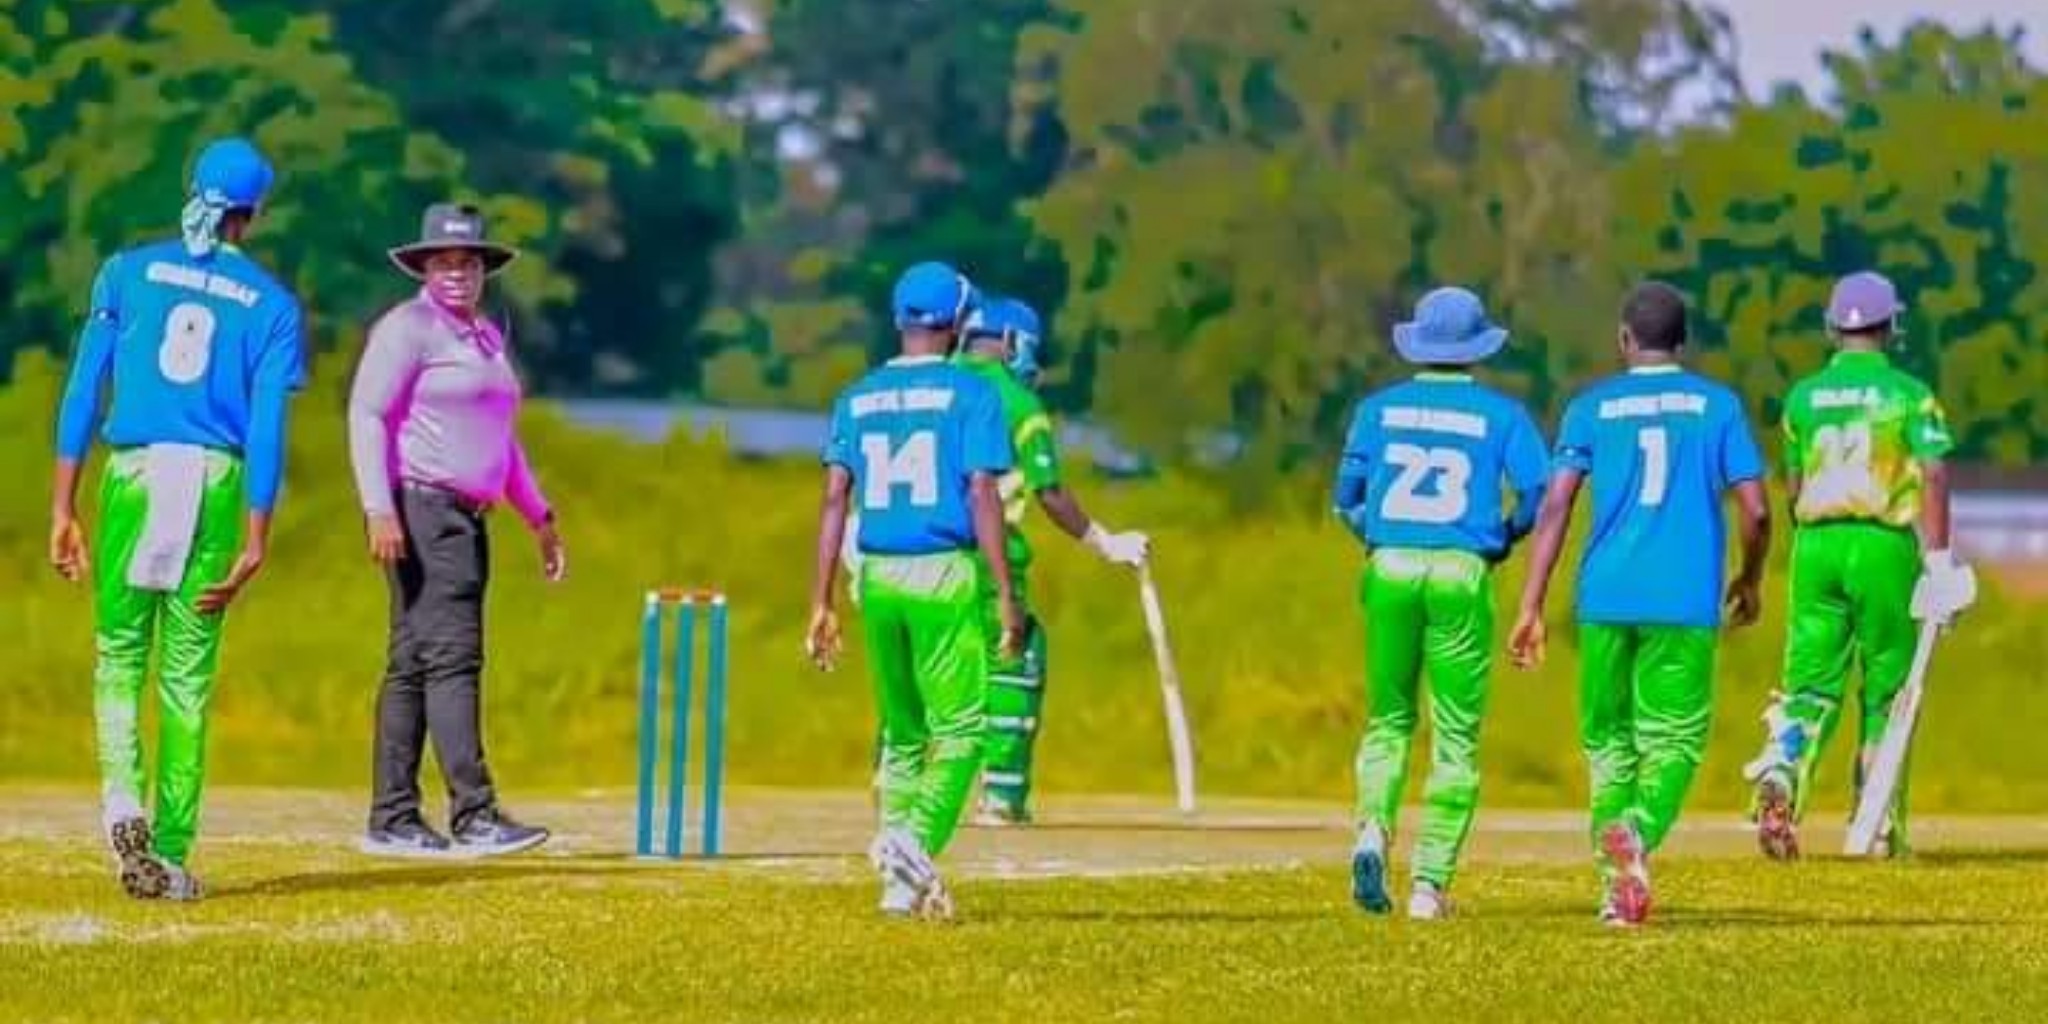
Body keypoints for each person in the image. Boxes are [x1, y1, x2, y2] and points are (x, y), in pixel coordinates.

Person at [50, 136, 307, 901]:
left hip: (133, 472)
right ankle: (166, 854)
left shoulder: (125, 271)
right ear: (253, 215)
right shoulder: (272, 305)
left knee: (119, 655)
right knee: (186, 678)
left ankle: (120, 803)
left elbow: (83, 389)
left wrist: (63, 505)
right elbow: (267, 428)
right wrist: (257, 535)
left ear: (192, 189)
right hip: (216, 483)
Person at [1508, 282, 1772, 928]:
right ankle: (1640, 827)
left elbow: (1556, 504)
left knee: (1609, 747)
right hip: (1682, 597)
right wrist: (1750, 578)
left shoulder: (1590, 408)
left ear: (1624, 339)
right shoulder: (1718, 406)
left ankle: (1616, 891)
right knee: (1674, 740)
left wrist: (1531, 604)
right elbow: (1758, 510)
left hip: (1604, 596)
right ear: (1683, 341)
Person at [806, 260, 1024, 920]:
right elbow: (981, 491)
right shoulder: (973, 393)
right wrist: (1005, 592)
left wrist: (821, 600)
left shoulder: (858, 396)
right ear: (957, 323)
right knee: (963, 732)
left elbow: (834, 498)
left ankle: (898, 890)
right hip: (942, 569)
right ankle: (913, 841)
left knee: (903, 734)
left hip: (877, 574)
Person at [347, 203, 564, 858]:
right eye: (443, 262)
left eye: (468, 263)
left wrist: (540, 515)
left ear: (483, 269)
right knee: (452, 658)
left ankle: (393, 817)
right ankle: (475, 814)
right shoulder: (408, 329)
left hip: (464, 515)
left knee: (414, 662)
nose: (457, 273)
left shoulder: (484, 338)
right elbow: (366, 414)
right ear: (423, 267)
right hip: (425, 509)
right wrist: (377, 508)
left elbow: (501, 439)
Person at [1741, 271, 1977, 861]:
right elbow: (1935, 472)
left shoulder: (1802, 398)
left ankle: (1782, 773)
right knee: (1889, 690)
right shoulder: (1909, 394)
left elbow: (1795, 483)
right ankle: (1877, 827)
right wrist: (1938, 559)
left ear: (1832, 326)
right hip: (1881, 544)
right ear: (1891, 325)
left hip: (1815, 545)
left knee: (1809, 687)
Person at [1333, 287, 1549, 920]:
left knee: (1388, 720)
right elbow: (1540, 494)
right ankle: (1429, 885)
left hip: (1390, 565)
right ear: (1479, 347)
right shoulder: (1503, 415)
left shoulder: (1377, 409)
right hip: (1461, 570)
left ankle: (1372, 830)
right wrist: (1504, 537)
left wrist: (1377, 536)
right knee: (1454, 734)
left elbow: (1346, 499)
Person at [953, 296, 1150, 826]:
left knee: (929, 668)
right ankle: (1001, 795)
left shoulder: (929, 383)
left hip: (912, 557)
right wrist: (1106, 542)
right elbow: (1049, 492)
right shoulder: (1017, 402)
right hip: (987, 563)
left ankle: (895, 781)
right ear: (1011, 342)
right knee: (1015, 659)